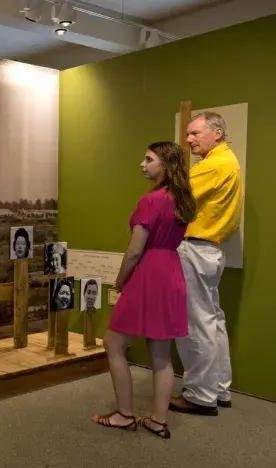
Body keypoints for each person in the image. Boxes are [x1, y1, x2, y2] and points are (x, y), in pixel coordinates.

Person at [92, 141, 196, 439]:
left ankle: (124, 415)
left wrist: (121, 279)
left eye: (149, 159)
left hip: (149, 273)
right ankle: (157, 421)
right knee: (161, 353)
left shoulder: (150, 201)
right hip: (171, 273)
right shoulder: (183, 199)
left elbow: (135, 250)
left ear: (165, 164)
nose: (142, 164)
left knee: (113, 343)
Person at [170, 112, 242, 416]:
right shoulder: (228, 161)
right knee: (212, 320)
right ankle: (219, 388)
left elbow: (176, 197)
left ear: (217, 133)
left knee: (195, 323)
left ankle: (200, 395)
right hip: (210, 250)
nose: (188, 140)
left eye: (195, 134)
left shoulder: (213, 165)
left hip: (196, 249)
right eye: (188, 134)